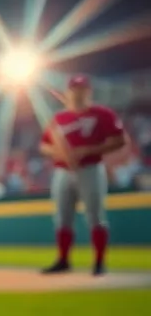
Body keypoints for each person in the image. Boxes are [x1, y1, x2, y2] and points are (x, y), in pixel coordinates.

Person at [39, 75, 127, 276]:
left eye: (81, 89)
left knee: (95, 215)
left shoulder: (101, 114)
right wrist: (60, 153)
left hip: (90, 168)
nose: (77, 93)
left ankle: (99, 262)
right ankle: (63, 260)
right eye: (74, 89)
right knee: (62, 216)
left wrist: (87, 150)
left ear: (88, 91)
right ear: (68, 92)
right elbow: (44, 145)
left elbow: (119, 140)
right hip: (63, 170)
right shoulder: (59, 118)